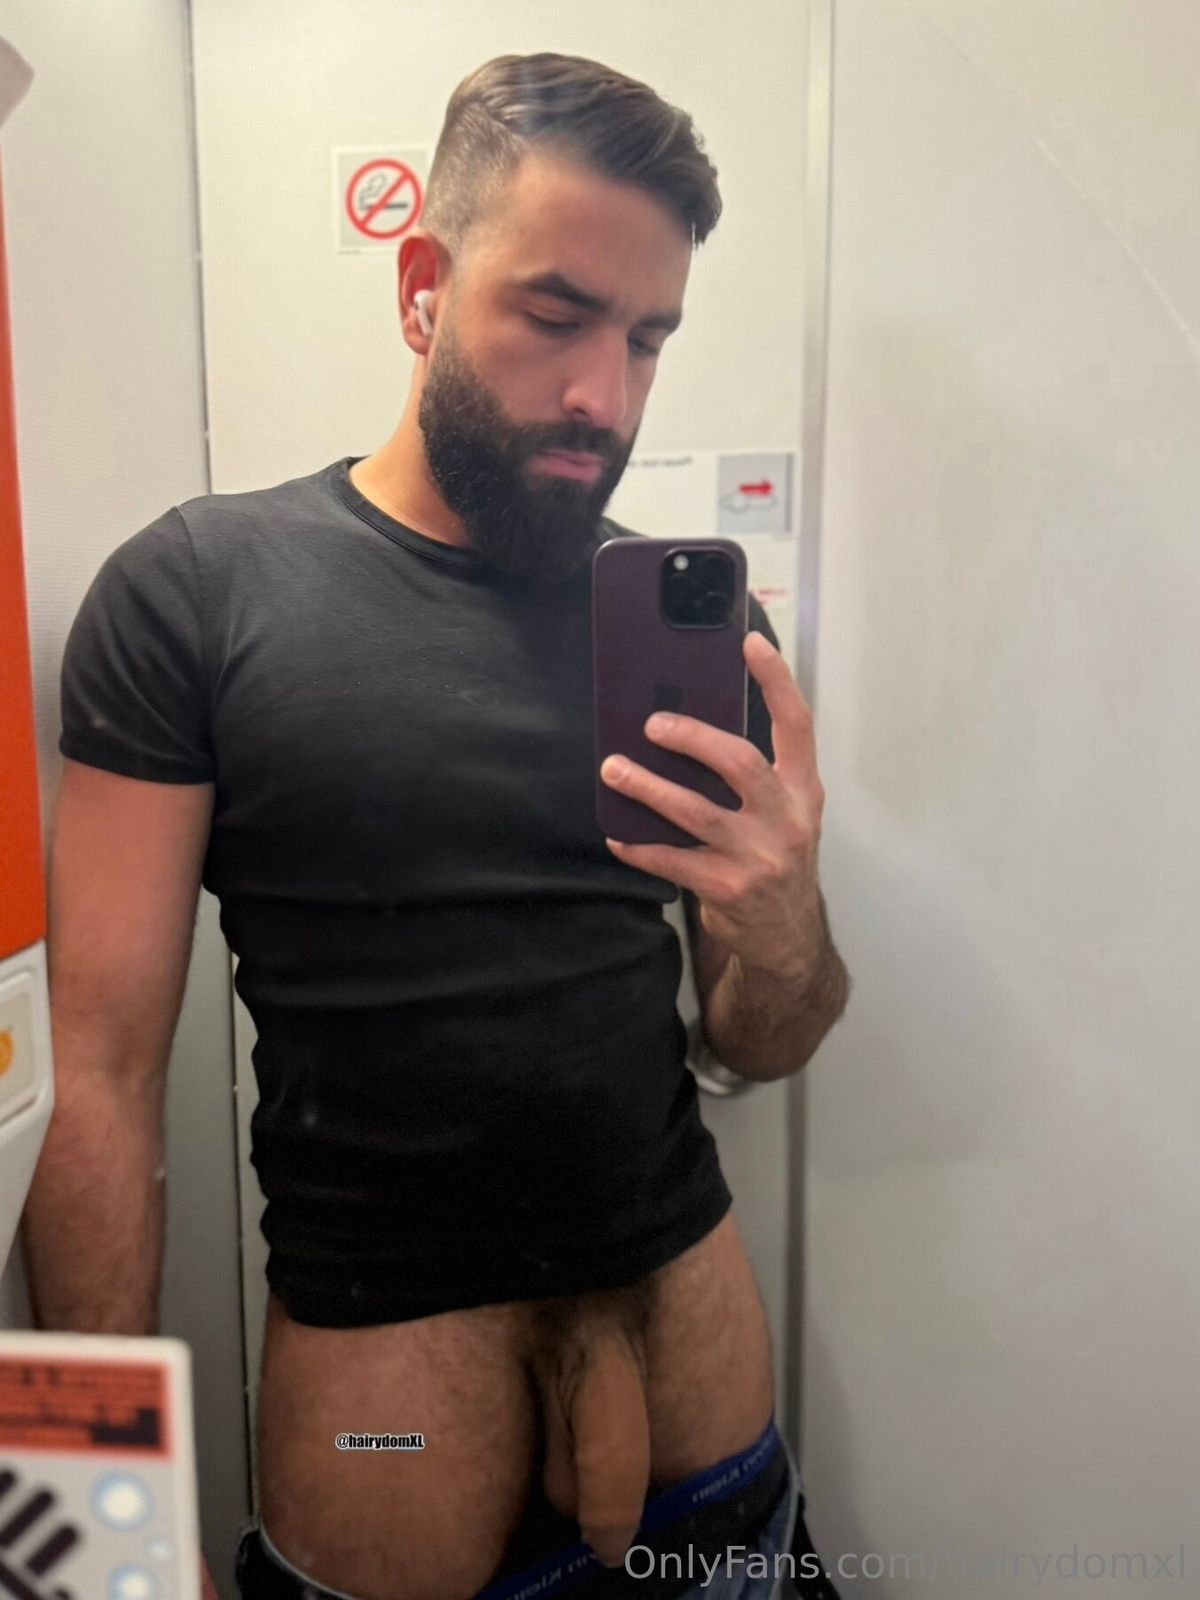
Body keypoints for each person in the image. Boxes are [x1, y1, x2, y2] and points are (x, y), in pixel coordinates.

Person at [22, 51, 850, 1600]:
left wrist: (790, 927)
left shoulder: (699, 640)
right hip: (389, 1454)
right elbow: (102, 1078)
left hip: (706, 1445)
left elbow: (763, 1038)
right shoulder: (197, 596)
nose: (606, 393)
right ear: (423, 286)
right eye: (556, 314)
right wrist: (92, 1521)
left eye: (647, 338)